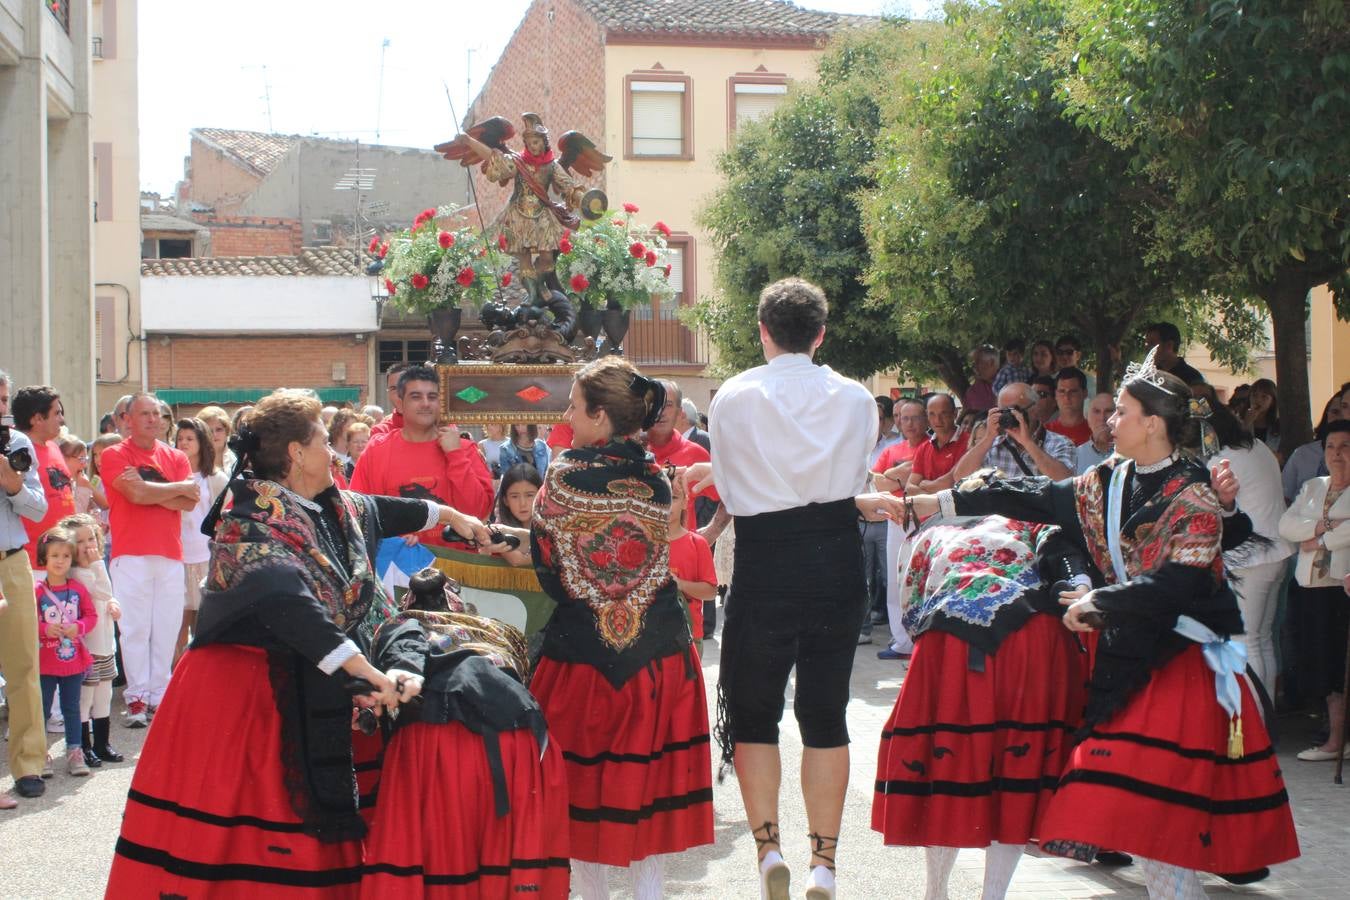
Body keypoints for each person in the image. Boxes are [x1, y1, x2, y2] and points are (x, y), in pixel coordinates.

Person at [906, 352, 1300, 896]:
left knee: (1159, 835)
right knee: (1148, 834)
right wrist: (939, 501)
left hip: (1184, 668)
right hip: (1133, 664)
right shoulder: (1110, 480)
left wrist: (1102, 603)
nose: (1110, 422)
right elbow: (1037, 495)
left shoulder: (1193, 491)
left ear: (1152, 424)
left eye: (1121, 412)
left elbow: (1179, 583)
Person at [105, 388, 491, 898]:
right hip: (242, 696)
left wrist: (451, 517)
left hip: (305, 673)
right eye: (321, 443)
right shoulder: (249, 525)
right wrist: (373, 675)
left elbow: (381, 508)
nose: (333, 454)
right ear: (295, 455)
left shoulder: (324, 504)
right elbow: (293, 607)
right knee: (252, 835)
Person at [703, 278, 879, 900]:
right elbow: (858, 474)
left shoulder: (734, 393)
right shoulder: (857, 397)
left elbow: (726, 482)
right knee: (826, 713)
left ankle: (768, 849)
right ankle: (824, 863)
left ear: (763, 331)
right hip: (835, 558)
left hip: (764, 559)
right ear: (821, 333)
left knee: (754, 714)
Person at [523, 357, 713, 899]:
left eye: (574, 406)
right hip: (659, 657)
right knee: (643, 817)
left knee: (582, 812)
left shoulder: (561, 477)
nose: (566, 413)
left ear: (600, 415)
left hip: (582, 660)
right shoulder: (657, 478)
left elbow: (549, 571)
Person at [872, 516, 1089, 899]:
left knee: (946, 764)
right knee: (1016, 772)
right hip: (1036, 637)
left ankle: (935, 893)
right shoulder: (1041, 524)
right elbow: (1073, 568)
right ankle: (993, 895)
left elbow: (910, 606)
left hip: (951, 634)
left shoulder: (930, 532)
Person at [358, 569, 571, 898]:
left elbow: (405, 649)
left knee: (442, 864)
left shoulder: (398, 625)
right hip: (520, 739)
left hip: (440, 739)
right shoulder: (499, 633)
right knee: (498, 866)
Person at [100, 392, 198, 727]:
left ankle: (160, 695)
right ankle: (138, 698)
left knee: (168, 629)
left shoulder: (175, 456)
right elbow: (136, 493)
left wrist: (152, 491)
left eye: (157, 414)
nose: (153, 419)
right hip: (130, 554)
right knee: (135, 629)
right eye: (145, 414)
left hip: (170, 553)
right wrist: (174, 489)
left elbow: (190, 500)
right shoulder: (114, 453)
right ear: (126, 419)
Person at [1191, 385, 1293, 690]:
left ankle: (1254, 728)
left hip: (1251, 558)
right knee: (1260, 640)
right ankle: (1265, 722)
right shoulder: (1254, 447)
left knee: (1245, 640)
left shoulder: (1223, 459)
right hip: (1273, 554)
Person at [350, 365, 494, 547]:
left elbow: (478, 512)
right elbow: (359, 511)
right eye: (416, 396)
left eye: (432, 397)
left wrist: (455, 455)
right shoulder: (377, 450)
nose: (425, 403)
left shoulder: (464, 448)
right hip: (400, 568)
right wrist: (392, 537)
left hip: (459, 565)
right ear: (400, 404)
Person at [1280, 420, 1350, 760]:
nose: (1337, 454)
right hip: (1311, 586)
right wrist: (1323, 526)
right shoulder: (1312, 487)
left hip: (1341, 588)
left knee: (1338, 663)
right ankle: (1335, 737)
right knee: (1319, 661)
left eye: (1345, 447)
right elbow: (1286, 525)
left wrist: (1317, 540)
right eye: (1331, 447)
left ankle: (1338, 740)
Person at [0, 369, 49, 802]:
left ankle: (29, 764)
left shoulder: (18, 444)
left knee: (23, 667)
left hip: (11, 562)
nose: (0, 408)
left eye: (3, 400)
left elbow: (37, 508)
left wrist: (11, 481)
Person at [33, 527, 98, 777]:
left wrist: (78, 627)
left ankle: (75, 751)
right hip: (45, 661)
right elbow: (29, 621)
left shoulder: (78, 589)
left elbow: (91, 616)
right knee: (42, 708)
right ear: (44, 559)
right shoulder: (37, 591)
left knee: (72, 707)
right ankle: (41, 753)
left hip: (73, 662)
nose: (60, 561)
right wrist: (44, 629)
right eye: (54, 556)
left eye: (65, 556)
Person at [62, 512, 123, 767]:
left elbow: (108, 596)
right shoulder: (79, 573)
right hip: (88, 647)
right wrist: (98, 565)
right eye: (81, 541)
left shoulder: (94, 569)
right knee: (85, 697)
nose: (89, 546)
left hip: (105, 644)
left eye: (92, 538)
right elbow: (103, 589)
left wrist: (113, 604)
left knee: (104, 693)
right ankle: (83, 745)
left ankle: (102, 741)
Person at [871, 399, 927, 652]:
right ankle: (901, 640)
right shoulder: (891, 450)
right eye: (905, 418)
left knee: (922, 578)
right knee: (895, 579)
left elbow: (922, 482)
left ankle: (921, 639)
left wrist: (892, 478)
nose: (910, 423)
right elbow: (877, 484)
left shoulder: (931, 447)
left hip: (925, 520)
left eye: (916, 418)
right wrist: (901, 474)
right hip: (895, 520)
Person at [173, 418, 227, 666]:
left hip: (206, 556)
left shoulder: (214, 478)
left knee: (204, 622)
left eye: (189, 438)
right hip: (178, 555)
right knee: (177, 624)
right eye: (180, 438)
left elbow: (224, 517)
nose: (183, 443)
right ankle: (173, 675)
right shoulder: (170, 474)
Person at [950, 382, 1075, 483]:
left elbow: (1065, 481)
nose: (1011, 416)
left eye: (1015, 410)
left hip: (1039, 513)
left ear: (1035, 409)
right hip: (1001, 513)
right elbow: (960, 477)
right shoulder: (992, 445)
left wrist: (1028, 443)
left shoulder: (1060, 443)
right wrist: (988, 438)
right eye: (1004, 411)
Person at [12, 386, 77, 568]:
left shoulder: (54, 447)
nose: (62, 420)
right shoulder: (16, 454)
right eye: (57, 413)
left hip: (62, 560)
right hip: (31, 563)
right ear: (37, 419)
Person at [667, 473, 716, 652]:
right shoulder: (642, 543)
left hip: (689, 636)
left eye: (673, 497)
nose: (667, 504)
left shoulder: (697, 543)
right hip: (649, 637)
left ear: (685, 501)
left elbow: (710, 591)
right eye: (661, 496)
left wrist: (679, 584)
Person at [1283, 393, 1344, 502]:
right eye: (1335, 412)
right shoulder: (1302, 454)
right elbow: (1285, 495)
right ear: (1326, 415)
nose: (1340, 417)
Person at [1144, 321, 1205, 386]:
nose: (1147, 349)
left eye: (1152, 343)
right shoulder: (1148, 373)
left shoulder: (1193, 377)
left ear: (1169, 345)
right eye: (1146, 344)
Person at [1045, 367, 1093, 446]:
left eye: (1073, 391)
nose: (1067, 397)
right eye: (1062, 391)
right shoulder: (1044, 433)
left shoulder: (1095, 433)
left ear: (1085, 393)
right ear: (1056, 394)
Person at [1076, 392, 1116, 474]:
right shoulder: (1075, 456)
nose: (1102, 418)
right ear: (1086, 416)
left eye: (1108, 411)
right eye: (1096, 411)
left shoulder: (1130, 454)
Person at [58, 436, 98, 515]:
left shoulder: (83, 479)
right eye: (81, 459)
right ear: (64, 458)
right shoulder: (57, 483)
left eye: (86, 459)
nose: (85, 465)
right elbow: (75, 513)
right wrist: (82, 489)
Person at [371, 363, 411, 439]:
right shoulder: (380, 432)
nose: (399, 394)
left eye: (404, 387)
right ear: (388, 393)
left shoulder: (435, 429)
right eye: (394, 389)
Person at [1244, 378, 1281, 456]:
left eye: (1264, 397)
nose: (1258, 400)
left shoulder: (1278, 426)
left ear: (1272, 401)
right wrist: (1247, 423)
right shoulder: (1238, 421)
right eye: (1254, 395)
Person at [197, 405, 236, 476]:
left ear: (226, 431)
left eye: (219, 429)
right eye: (209, 430)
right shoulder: (194, 457)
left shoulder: (237, 456)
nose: (214, 434)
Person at [964, 345, 999, 413]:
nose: (974, 367)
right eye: (973, 364)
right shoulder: (973, 391)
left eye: (977, 362)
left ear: (991, 362)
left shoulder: (1011, 384)